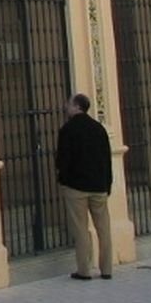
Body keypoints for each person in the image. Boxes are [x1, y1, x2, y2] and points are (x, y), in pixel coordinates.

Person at [55, 93, 113, 280]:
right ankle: (107, 269)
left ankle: (84, 270)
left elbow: (63, 159)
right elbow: (107, 159)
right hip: (99, 186)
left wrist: (63, 179)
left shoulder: (67, 130)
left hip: (76, 187)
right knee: (104, 229)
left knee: (81, 230)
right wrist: (108, 183)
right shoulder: (99, 129)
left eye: (69, 104)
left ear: (76, 107)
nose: (66, 107)